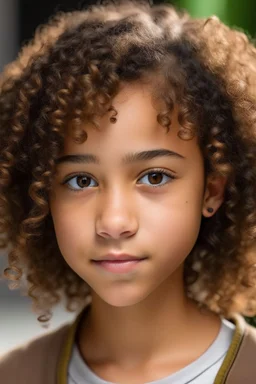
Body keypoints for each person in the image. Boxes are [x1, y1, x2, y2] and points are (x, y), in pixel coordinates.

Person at [0, 0, 256, 383]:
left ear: (212, 189)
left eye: (154, 177)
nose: (114, 222)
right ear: (41, 197)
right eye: (81, 181)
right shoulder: (15, 375)